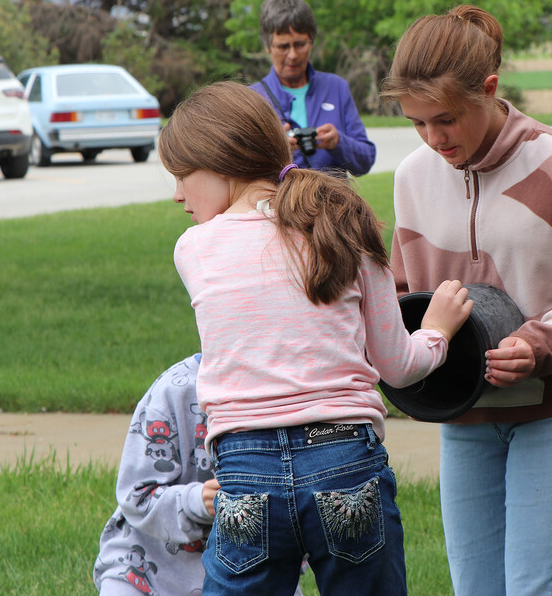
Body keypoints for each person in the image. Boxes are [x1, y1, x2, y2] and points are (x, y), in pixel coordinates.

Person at [157, 81, 474, 596]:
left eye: (181, 176)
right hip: (345, 458)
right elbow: (397, 366)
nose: (177, 195)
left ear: (223, 163)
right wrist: (436, 331)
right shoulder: (345, 225)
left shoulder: (193, 249)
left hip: (247, 467)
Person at [380, 4, 552, 596]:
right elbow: (401, 296)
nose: (433, 139)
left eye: (445, 119)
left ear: (489, 90)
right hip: (463, 414)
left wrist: (537, 344)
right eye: (418, 123)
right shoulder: (412, 177)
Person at [93, 354, 307, 596]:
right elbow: (136, 496)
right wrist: (194, 502)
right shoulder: (174, 389)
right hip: (145, 568)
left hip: (248, 569)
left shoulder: (291, 389)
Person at [249, 0, 376, 177]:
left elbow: (366, 161)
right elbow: (241, 172)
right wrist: (276, 151)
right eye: (283, 47)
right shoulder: (252, 98)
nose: (292, 55)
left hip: (334, 204)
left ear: (312, 41)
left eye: (300, 45)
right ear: (268, 46)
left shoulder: (336, 87)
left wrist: (338, 142)